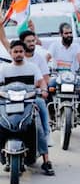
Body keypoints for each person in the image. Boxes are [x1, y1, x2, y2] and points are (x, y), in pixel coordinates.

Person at [0, 40, 54, 175]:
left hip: (29, 101)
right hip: (8, 102)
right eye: (15, 51)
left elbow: (41, 81)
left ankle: (46, 161)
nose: (18, 54)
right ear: (10, 53)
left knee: (38, 126)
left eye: (21, 51)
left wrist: (44, 90)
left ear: (24, 53)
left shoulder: (32, 67)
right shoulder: (3, 68)